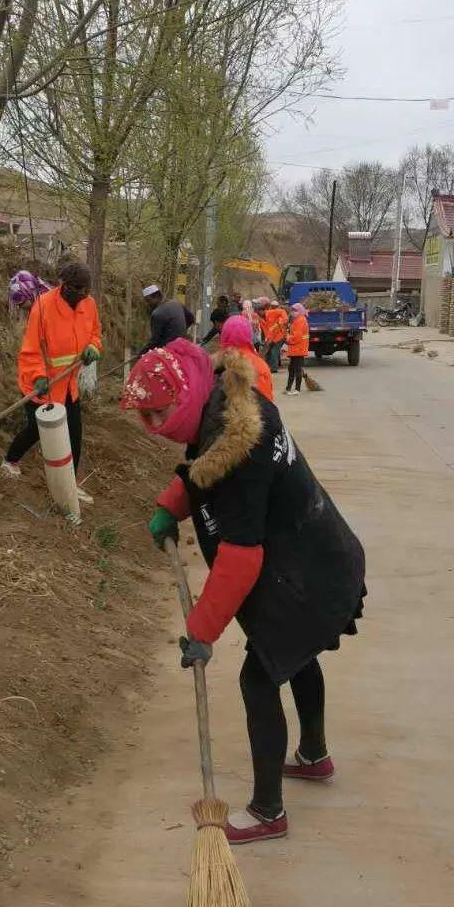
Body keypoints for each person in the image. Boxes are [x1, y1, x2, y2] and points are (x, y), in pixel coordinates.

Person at [121, 340, 365, 845]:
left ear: (183, 397)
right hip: (318, 550)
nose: (153, 426)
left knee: (261, 679)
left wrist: (201, 630)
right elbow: (200, 467)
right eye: (145, 417)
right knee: (293, 658)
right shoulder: (225, 400)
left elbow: (240, 555)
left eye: (157, 414)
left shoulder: (240, 450)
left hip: (309, 571)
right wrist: (173, 504)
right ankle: (315, 756)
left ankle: (268, 810)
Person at [2, 261, 102, 501]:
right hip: (41, 384)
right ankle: (9, 461)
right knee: (37, 429)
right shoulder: (43, 307)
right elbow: (31, 350)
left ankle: (69, 485)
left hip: (68, 385)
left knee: (74, 433)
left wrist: (92, 347)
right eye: (79, 289)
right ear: (64, 285)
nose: (84, 295)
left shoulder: (89, 305)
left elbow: (96, 333)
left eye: (87, 290)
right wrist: (38, 377)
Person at [219, 314, 274, 401]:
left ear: (224, 334)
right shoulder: (260, 365)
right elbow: (267, 401)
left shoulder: (217, 364)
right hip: (256, 413)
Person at [139, 285, 194, 354]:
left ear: (157, 296)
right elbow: (191, 319)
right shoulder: (176, 303)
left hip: (168, 350)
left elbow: (154, 341)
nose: (148, 304)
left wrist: (141, 354)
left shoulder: (157, 314)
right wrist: (180, 331)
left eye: (148, 301)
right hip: (183, 345)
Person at [284, 303, 309, 396]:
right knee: (292, 369)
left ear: (300, 311)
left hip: (298, 349)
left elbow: (297, 337)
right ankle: (288, 388)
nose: (293, 312)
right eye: (293, 310)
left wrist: (288, 338)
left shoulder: (300, 321)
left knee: (296, 370)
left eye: (295, 310)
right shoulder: (297, 320)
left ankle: (297, 389)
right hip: (296, 349)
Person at [261, 299, 289, 373]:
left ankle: (273, 368)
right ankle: (267, 367)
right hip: (272, 338)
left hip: (280, 336)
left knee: (274, 352)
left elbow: (282, 312)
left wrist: (285, 320)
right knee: (268, 352)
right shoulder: (262, 320)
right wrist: (268, 340)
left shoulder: (272, 313)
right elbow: (267, 331)